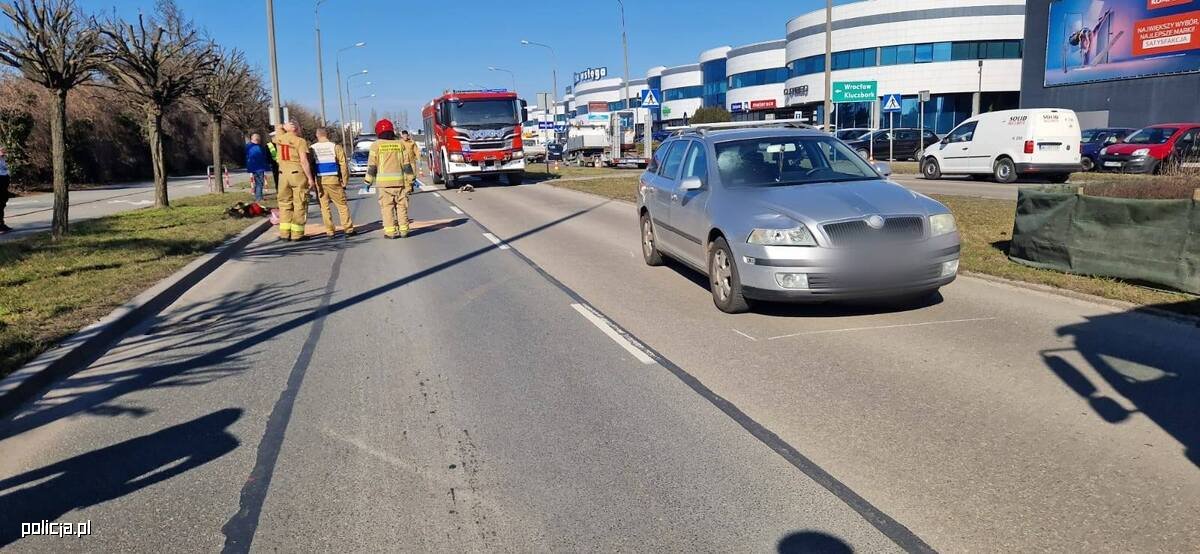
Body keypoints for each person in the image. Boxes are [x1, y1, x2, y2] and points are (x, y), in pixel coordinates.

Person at [364, 119, 410, 239]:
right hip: (400, 183)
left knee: (387, 208)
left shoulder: (376, 146)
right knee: (401, 206)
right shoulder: (400, 144)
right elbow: (407, 164)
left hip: (384, 185)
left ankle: (390, 232)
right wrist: (411, 179)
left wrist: (368, 181)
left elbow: (372, 166)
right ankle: (404, 230)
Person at [272, 121, 316, 241]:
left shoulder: (279, 139)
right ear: (296, 129)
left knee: (284, 204)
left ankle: (284, 234)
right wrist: (310, 178)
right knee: (300, 203)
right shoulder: (300, 141)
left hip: (282, 175)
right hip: (297, 174)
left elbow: (278, 129)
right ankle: (297, 234)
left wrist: (282, 127)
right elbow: (304, 161)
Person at [310, 127, 355, 237]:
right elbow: (343, 164)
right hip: (333, 179)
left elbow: (310, 165)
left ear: (317, 135)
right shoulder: (335, 147)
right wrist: (345, 180)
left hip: (320, 181)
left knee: (324, 207)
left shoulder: (312, 148)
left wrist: (311, 181)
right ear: (328, 135)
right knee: (341, 205)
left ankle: (330, 231)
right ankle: (348, 229)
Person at [397, 130, 424, 224]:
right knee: (406, 176)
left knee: (413, 175)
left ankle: (410, 186)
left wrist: (419, 158)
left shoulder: (412, 142)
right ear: (401, 135)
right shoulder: (399, 143)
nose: (405, 136)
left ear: (407, 135)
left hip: (411, 162)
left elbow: (416, 150)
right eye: (403, 135)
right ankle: (408, 188)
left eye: (406, 135)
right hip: (403, 162)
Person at [245, 134, 269, 202]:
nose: (259, 141)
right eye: (258, 140)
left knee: (257, 182)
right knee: (260, 183)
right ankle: (259, 198)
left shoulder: (249, 146)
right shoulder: (257, 148)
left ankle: (257, 196)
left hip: (253, 167)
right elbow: (261, 157)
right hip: (259, 167)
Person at [0, 145, 10, 234]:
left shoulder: (3, 159)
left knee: (2, 203)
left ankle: (2, 224)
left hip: (4, 180)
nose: (3, 152)